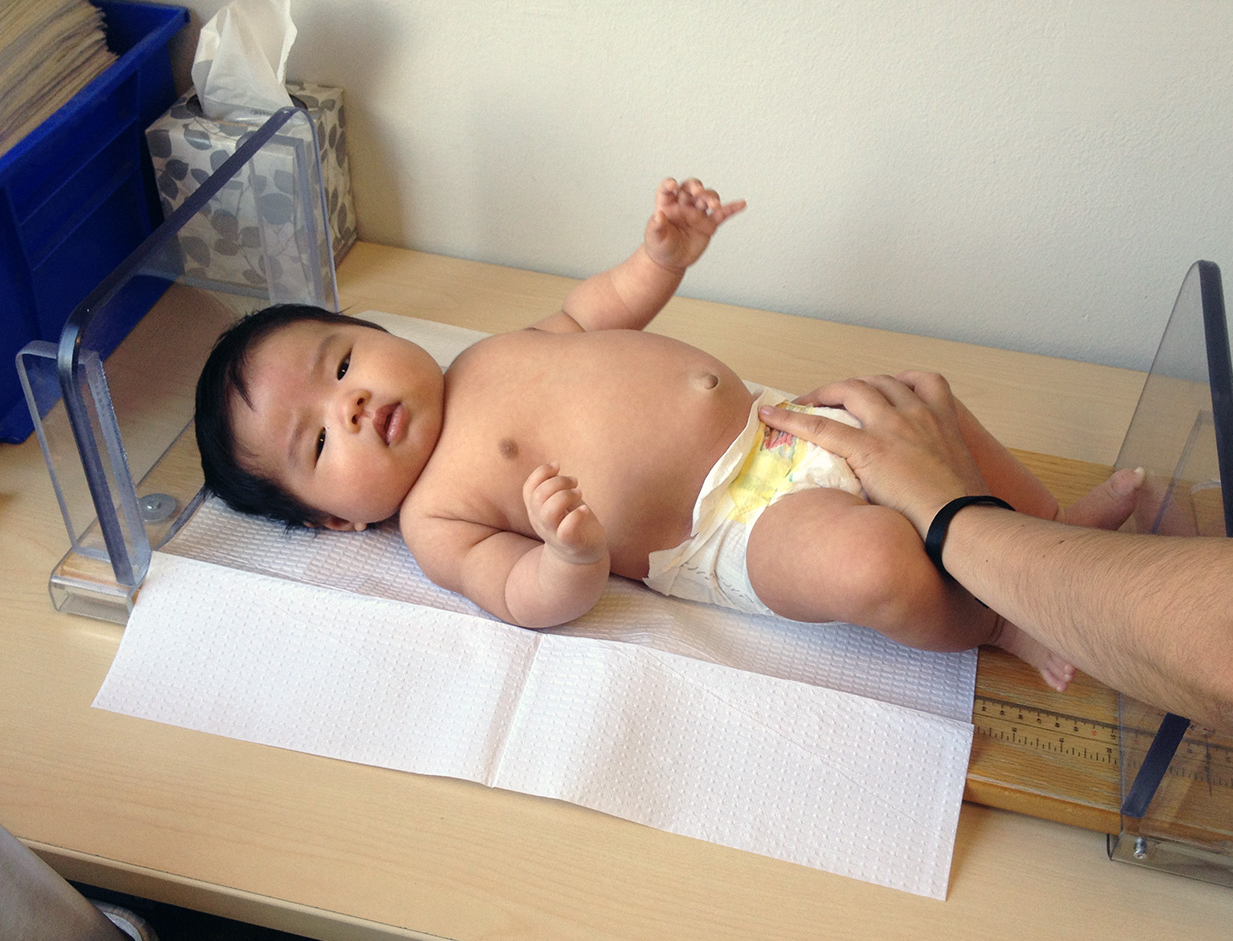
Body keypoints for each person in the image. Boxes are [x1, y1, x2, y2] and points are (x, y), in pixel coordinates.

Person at [195, 178, 1137, 688]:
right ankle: (999, 618)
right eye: (318, 444)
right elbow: (521, 596)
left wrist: (658, 260)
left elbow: (595, 310)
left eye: (342, 365)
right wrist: (568, 554)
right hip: (731, 526)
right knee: (872, 567)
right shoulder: (436, 518)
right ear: (333, 520)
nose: (351, 407)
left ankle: (1050, 528)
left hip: (783, 423)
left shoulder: (489, 354)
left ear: (373, 331)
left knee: (922, 397)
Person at [759, 372, 1233, 756]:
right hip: (759, 495)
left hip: (796, 465)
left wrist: (954, 515)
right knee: (881, 533)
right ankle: (1034, 561)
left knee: (877, 551)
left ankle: (1002, 612)